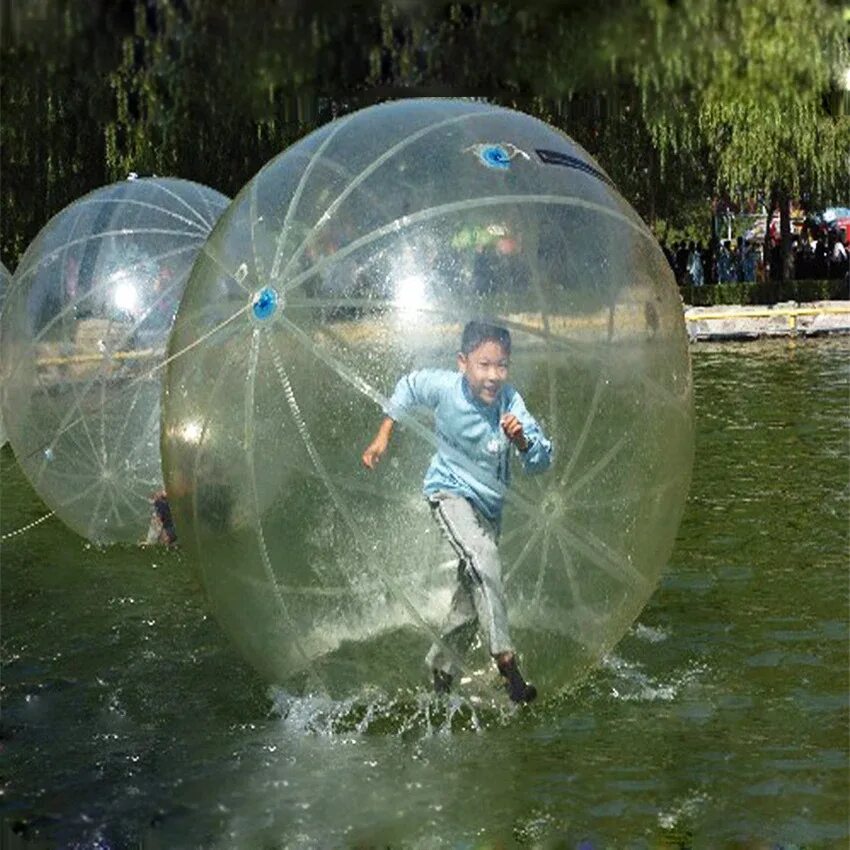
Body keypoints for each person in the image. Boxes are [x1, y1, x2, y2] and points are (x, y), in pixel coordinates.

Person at [361, 320, 553, 703]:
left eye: (501, 366)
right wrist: (383, 434)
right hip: (448, 493)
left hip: (488, 510)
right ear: (462, 363)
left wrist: (523, 441)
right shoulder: (446, 388)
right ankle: (506, 660)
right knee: (485, 558)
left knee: (471, 598)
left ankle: (441, 670)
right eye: (484, 365)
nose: (493, 376)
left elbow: (541, 461)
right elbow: (409, 386)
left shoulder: (510, 403)